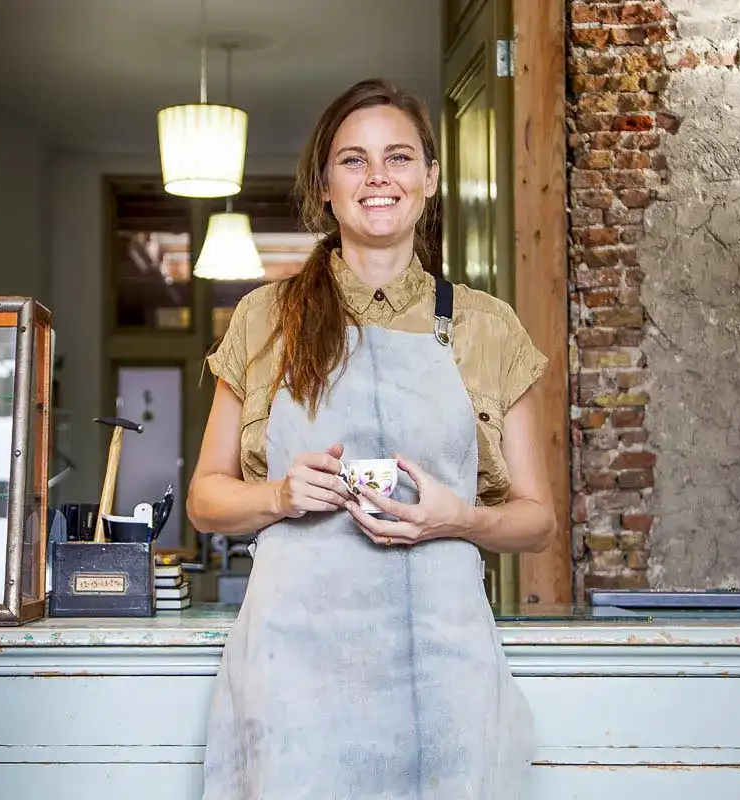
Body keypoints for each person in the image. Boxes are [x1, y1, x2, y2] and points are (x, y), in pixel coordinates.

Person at [187, 78, 556, 799]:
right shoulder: (266, 320)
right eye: (353, 160)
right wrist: (280, 495)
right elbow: (206, 498)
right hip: (295, 680)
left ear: (429, 179)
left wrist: (461, 517)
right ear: (325, 185)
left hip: (444, 673)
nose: (378, 176)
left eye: (399, 157)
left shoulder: (487, 327)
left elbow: (537, 519)